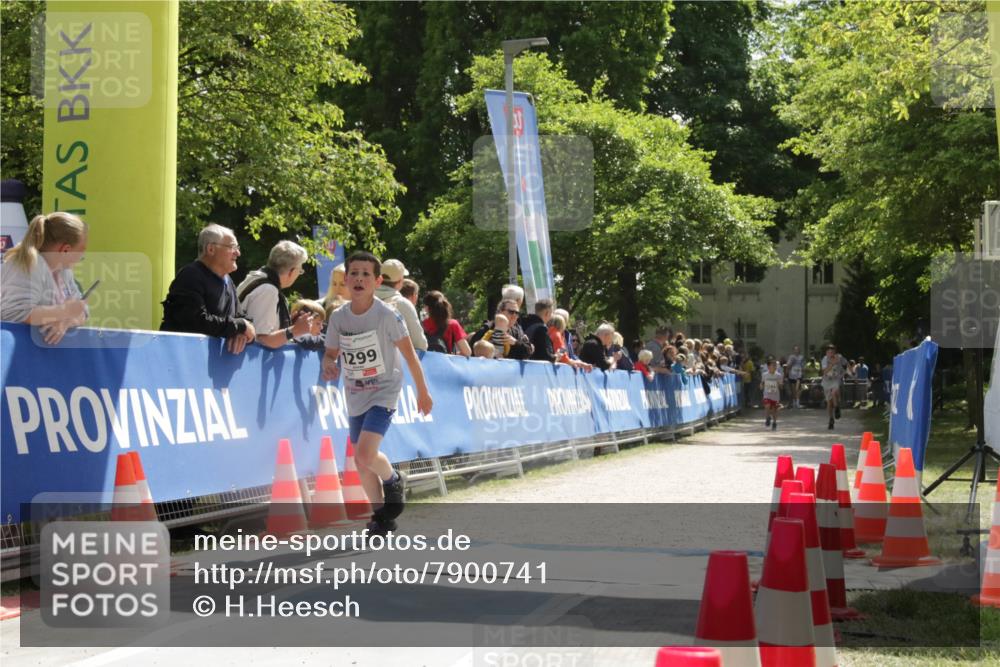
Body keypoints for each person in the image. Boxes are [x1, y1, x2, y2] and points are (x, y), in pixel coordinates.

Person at [322, 251, 432, 536]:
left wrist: (423, 391)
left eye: (366, 274)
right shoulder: (338, 317)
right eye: (354, 273)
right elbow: (331, 352)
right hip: (355, 394)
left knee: (365, 452)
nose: (359, 279)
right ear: (345, 280)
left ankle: (393, 478)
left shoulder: (387, 315)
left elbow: (410, 355)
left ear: (377, 280)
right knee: (361, 461)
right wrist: (329, 363)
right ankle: (382, 518)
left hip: (384, 390)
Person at [160, 224, 256, 354]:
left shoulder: (228, 281)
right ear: (211, 249)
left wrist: (241, 333)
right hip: (181, 362)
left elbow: (242, 319)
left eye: (237, 248)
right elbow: (195, 322)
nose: (238, 253)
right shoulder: (190, 275)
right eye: (232, 247)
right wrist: (240, 326)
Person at [1, 211, 89, 345]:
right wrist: (64, 311)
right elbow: (14, 313)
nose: (80, 259)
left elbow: (82, 311)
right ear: (65, 250)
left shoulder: (64, 271)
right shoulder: (29, 263)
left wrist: (66, 321)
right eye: (81, 254)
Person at [236, 240, 316, 349]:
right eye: (300, 270)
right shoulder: (268, 290)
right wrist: (295, 330)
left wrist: (286, 323)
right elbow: (261, 340)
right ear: (291, 271)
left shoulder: (256, 277)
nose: (299, 274)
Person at [375, 259, 427, 352]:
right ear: (400, 281)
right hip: (396, 364)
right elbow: (420, 344)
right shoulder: (403, 304)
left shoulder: (363, 300)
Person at [421, 290, 471, 356]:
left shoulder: (422, 325)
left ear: (427, 308)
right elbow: (467, 352)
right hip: (445, 365)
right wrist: (453, 355)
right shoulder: (453, 324)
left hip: (426, 365)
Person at [520, 298, 557, 363]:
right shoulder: (541, 329)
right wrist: (556, 357)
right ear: (547, 313)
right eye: (552, 313)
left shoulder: (521, 323)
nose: (552, 316)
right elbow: (544, 355)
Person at [821, 344, 847, 430]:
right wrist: (832, 363)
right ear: (826, 353)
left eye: (832, 352)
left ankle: (837, 408)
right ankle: (831, 419)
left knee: (834, 391)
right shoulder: (825, 359)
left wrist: (851, 372)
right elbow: (825, 371)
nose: (830, 353)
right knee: (829, 402)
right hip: (827, 381)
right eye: (828, 352)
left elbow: (846, 364)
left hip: (835, 379)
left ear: (835, 352)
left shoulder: (839, 357)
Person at [761, 358, 783, 431]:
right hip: (767, 394)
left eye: (775, 365)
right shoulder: (765, 375)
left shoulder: (778, 375)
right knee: (767, 406)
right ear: (768, 367)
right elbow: (762, 383)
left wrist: (780, 384)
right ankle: (767, 418)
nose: (774, 367)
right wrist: (761, 385)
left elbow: (781, 385)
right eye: (772, 365)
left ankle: (774, 422)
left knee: (774, 410)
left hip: (775, 395)